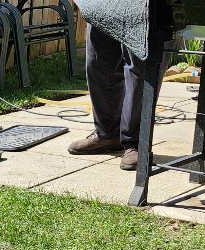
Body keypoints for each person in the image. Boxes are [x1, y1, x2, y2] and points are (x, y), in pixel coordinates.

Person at [67, 2, 163, 171]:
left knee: (139, 69)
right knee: (98, 64)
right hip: (102, 4)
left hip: (142, 6)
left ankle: (135, 142)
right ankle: (108, 134)